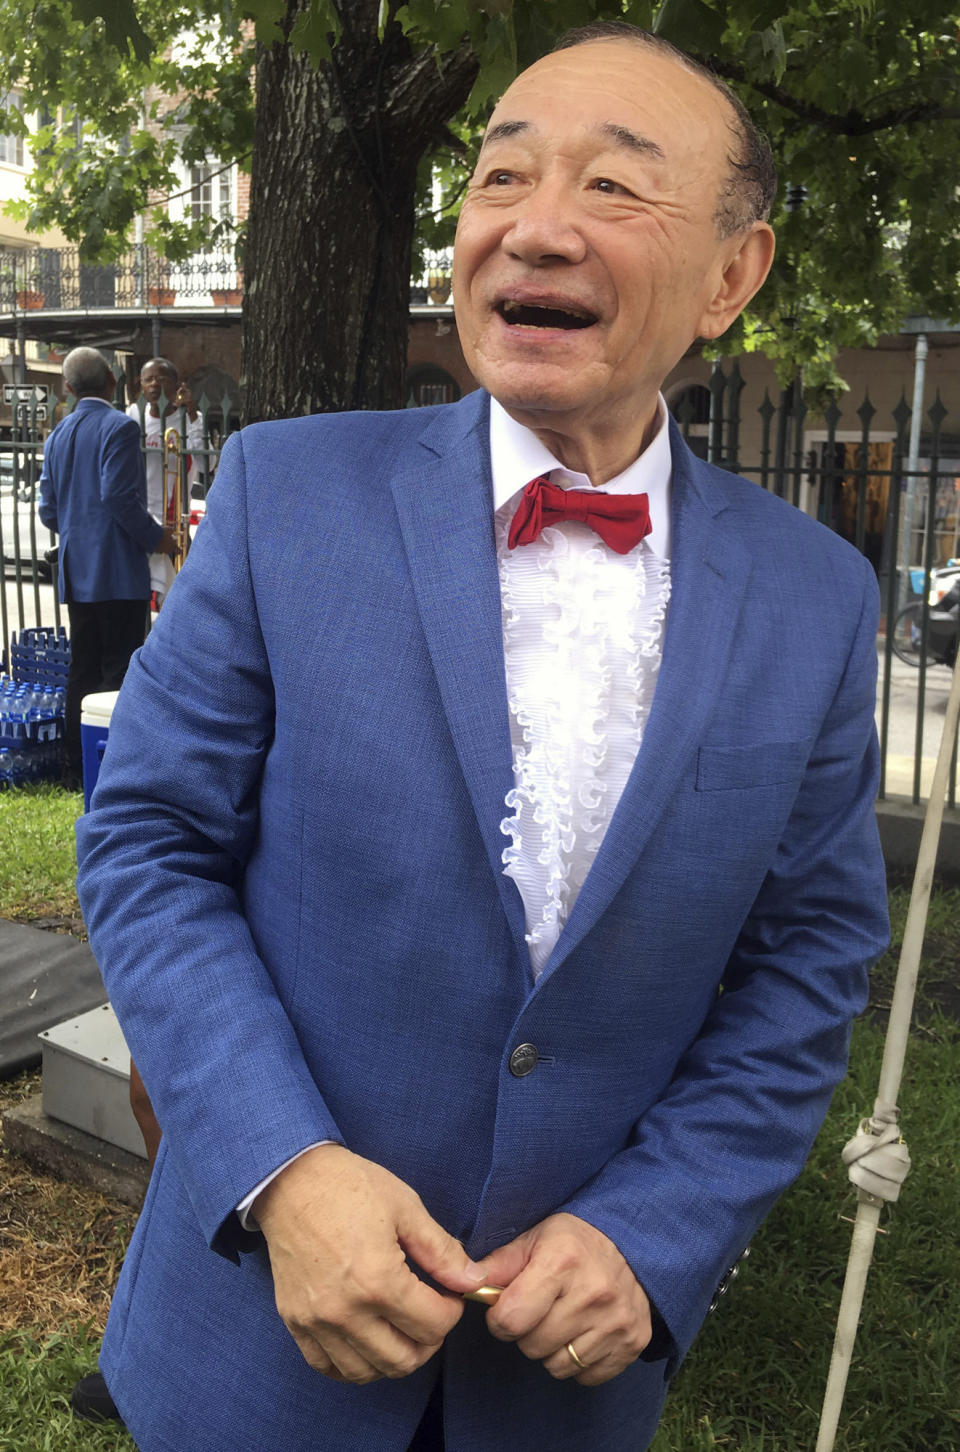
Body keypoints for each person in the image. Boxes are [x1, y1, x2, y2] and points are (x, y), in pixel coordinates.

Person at [75, 23, 889, 1452]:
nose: (536, 227)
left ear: (731, 275)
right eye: (499, 176)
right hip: (251, 1364)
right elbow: (149, 846)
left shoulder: (816, 598)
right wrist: (285, 1169)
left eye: (616, 189)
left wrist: (656, 1231)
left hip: (562, 1392)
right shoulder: (286, 499)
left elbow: (806, 957)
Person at [38, 347, 177, 785]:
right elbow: (119, 497)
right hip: (116, 571)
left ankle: (74, 766)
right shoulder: (120, 427)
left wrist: (78, 532)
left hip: (77, 571)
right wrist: (157, 536)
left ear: (68, 388)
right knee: (119, 669)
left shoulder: (58, 434)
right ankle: (114, 768)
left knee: (82, 668)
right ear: (114, 383)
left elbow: (47, 510)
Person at [127, 357, 203, 609]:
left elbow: (207, 465)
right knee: (140, 602)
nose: (154, 384)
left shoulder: (188, 418)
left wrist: (192, 414)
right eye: (148, 378)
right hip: (141, 521)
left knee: (175, 603)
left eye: (162, 378)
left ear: (177, 385)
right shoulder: (133, 415)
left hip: (174, 525)